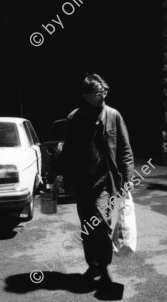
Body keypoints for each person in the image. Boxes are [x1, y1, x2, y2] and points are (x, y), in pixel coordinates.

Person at [58, 73, 134, 287]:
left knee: (102, 224)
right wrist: (63, 176)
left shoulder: (113, 115)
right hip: (82, 183)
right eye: (98, 93)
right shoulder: (74, 118)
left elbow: (125, 150)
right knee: (87, 226)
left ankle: (103, 265)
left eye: (104, 91)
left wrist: (127, 178)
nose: (103, 96)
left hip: (105, 182)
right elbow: (69, 152)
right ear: (86, 96)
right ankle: (93, 264)